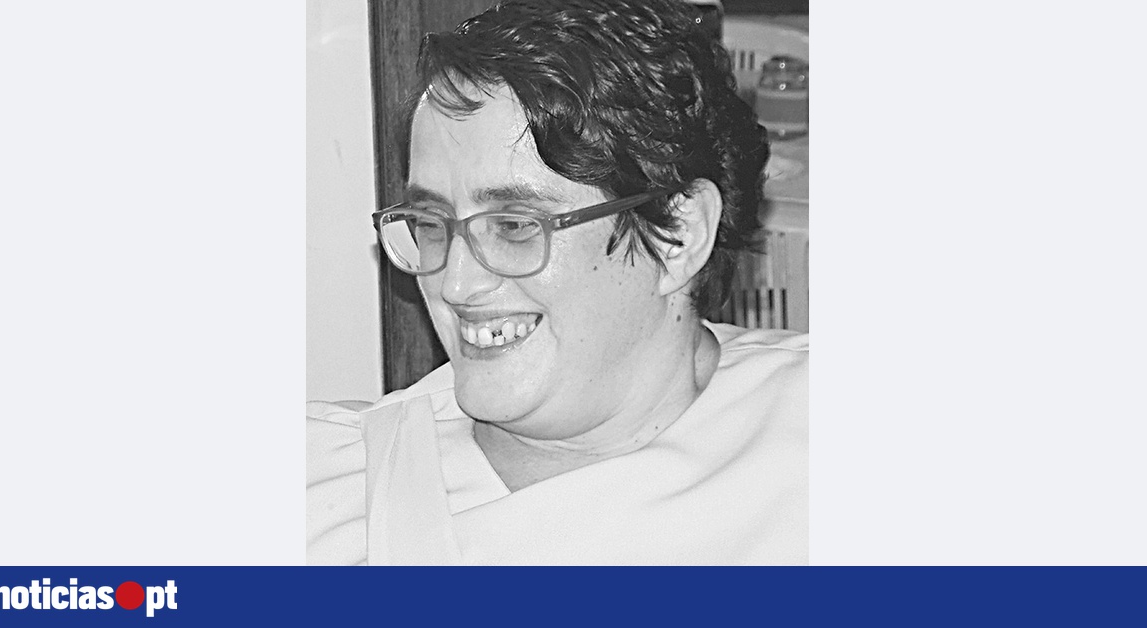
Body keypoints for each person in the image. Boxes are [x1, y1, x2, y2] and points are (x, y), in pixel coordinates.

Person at [307, 0, 807, 565]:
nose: (454, 284)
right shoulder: (328, 494)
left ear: (678, 235)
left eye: (515, 226)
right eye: (430, 223)